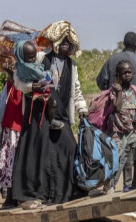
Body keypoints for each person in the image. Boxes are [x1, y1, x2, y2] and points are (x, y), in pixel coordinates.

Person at [12, 21, 88, 209]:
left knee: (68, 148)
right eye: (63, 43)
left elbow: (76, 90)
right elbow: (18, 79)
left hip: (60, 113)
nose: (66, 47)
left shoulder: (72, 65)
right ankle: (30, 196)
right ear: (54, 43)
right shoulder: (40, 57)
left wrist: (82, 109)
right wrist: (32, 87)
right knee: (37, 153)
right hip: (37, 113)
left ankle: (64, 194)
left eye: (69, 44)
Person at [96, 32, 136, 190]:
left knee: (126, 150)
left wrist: (110, 91)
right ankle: (119, 184)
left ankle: (126, 184)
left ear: (123, 43)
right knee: (123, 153)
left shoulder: (111, 60)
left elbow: (100, 81)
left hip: (116, 116)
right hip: (123, 119)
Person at [104, 60, 136, 193]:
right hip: (117, 132)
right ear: (117, 75)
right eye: (123, 73)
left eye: (129, 72)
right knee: (119, 159)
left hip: (129, 131)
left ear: (134, 74)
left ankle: (131, 183)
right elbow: (117, 108)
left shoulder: (135, 90)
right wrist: (119, 91)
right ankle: (110, 185)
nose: (127, 75)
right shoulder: (114, 90)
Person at [0, 70, 24, 207]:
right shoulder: (11, 85)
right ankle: (11, 196)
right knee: (9, 162)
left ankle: (16, 196)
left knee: (17, 162)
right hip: (11, 127)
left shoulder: (24, 82)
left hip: (21, 127)